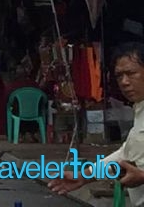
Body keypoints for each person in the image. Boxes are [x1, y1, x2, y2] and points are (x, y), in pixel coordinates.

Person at [51, 42, 144, 206]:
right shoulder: (140, 111)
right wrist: (84, 176)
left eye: (131, 73)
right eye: (119, 76)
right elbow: (126, 153)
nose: (124, 82)